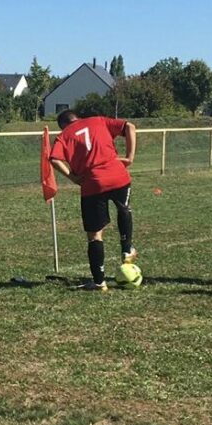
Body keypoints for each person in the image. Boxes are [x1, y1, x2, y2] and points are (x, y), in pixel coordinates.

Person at [48, 109, 138, 292]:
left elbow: (55, 159)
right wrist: (129, 157)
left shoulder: (64, 135)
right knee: (124, 208)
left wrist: (73, 178)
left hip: (93, 182)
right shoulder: (98, 120)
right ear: (78, 118)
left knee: (95, 235)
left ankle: (99, 282)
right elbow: (130, 126)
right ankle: (127, 249)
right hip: (119, 175)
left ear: (63, 126)